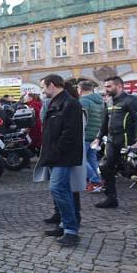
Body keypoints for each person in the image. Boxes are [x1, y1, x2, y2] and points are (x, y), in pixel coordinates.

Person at [92, 76, 137, 210]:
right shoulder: (109, 101)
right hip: (111, 141)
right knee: (105, 167)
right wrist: (98, 137)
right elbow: (105, 122)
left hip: (128, 141)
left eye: (109, 86)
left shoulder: (131, 100)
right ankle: (111, 198)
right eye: (105, 86)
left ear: (119, 86)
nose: (106, 89)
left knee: (134, 170)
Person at [36, 75, 84, 247]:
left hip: (63, 156)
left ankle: (71, 230)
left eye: (43, 87)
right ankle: (65, 225)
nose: (42, 91)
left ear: (51, 85)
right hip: (55, 155)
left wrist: (54, 153)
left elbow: (70, 134)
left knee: (58, 189)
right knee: (62, 190)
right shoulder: (55, 103)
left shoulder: (70, 104)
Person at [77, 81, 104, 193]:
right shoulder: (99, 101)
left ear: (80, 89)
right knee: (92, 159)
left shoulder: (83, 101)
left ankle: (95, 181)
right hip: (96, 134)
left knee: (81, 159)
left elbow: (81, 120)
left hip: (85, 134)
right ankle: (98, 182)